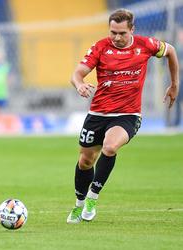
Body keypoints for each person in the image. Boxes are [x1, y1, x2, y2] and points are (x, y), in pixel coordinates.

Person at [66, 9, 179, 223]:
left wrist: (174, 84)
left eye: (122, 33)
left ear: (132, 30)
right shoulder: (100, 47)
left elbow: (171, 51)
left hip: (128, 114)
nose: (117, 38)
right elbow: (77, 73)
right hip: (98, 113)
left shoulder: (146, 45)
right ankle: (79, 204)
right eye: (113, 32)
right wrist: (79, 85)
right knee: (85, 161)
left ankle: (92, 198)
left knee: (110, 146)